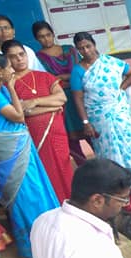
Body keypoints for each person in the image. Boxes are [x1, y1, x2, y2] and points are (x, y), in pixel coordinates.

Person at [0, 52, 59, 258]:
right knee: (26, 195)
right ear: (0, 71)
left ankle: (49, 239)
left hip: (18, 145)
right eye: (8, 66)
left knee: (36, 189)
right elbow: (19, 116)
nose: (12, 70)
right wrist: (12, 88)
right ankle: (34, 247)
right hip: (9, 150)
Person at [70, 32, 131, 171]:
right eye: (81, 49)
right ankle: (114, 180)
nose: (86, 51)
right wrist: (86, 123)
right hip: (98, 117)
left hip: (119, 113)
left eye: (88, 46)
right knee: (107, 149)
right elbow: (78, 98)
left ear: (94, 44)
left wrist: (120, 89)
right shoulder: (77, 71)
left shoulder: (111, 62)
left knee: (128, 145)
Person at [32, 21, 86, 164]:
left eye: (48, 35)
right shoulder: (38, 58)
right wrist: (70, 77)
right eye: (41, 37)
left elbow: (82, 70)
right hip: (61, 101)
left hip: (81, 96)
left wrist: (62, 77)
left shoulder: (70, 50)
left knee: (91, 133)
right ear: (36, 39)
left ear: (53, 34)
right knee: (72, 141)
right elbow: (47, 81)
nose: (46, 39)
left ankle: (104, 169)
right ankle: (85, 169)